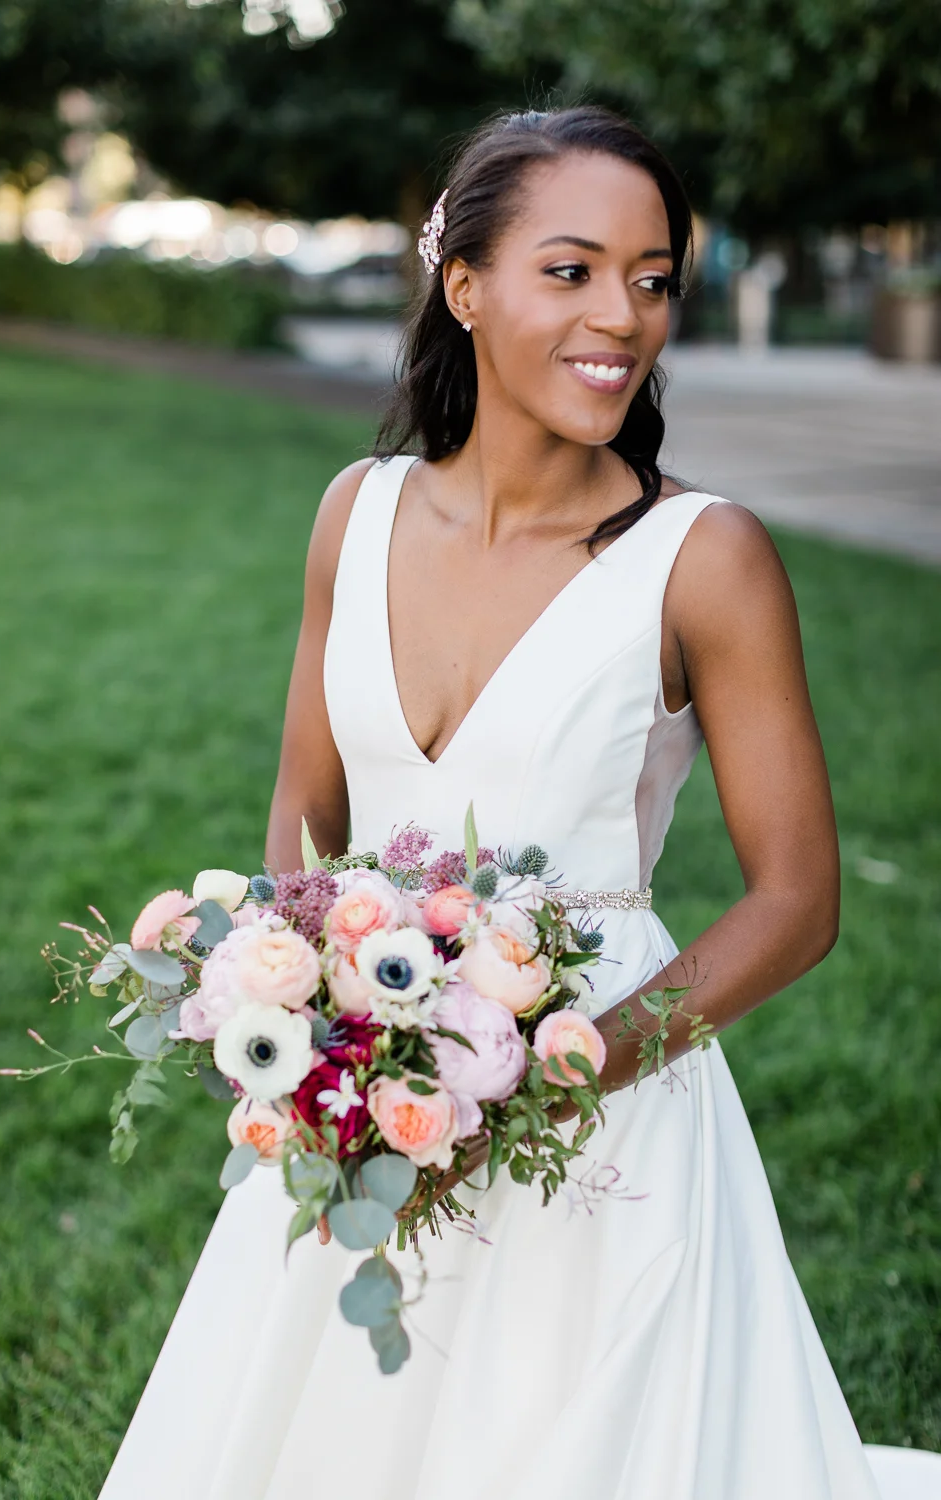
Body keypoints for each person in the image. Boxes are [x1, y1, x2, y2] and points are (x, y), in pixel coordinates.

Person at [99, 107, 883, 1499]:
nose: (623, 318)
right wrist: (304, 1021)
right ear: (464, 288)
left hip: (603, 1109)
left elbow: (799, 902)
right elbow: (307, 802)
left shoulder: (704, 560)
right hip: (369, 1099)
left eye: (653, 280)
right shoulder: (358, 508)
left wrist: (544, 1074)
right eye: (571, 271)